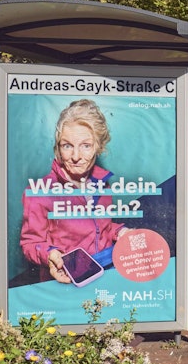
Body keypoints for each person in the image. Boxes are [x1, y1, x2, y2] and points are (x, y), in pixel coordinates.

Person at [20, 98, 127, 283]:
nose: (76, 156)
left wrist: (121, 233)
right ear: (58, 148)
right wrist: (50, 255)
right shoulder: (40, 192)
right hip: (64, 284)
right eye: (67, 146)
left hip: (105, 277)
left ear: (98, 147)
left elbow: (102, 229)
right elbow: (31, 243)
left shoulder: (103, 185)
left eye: (86, 146)